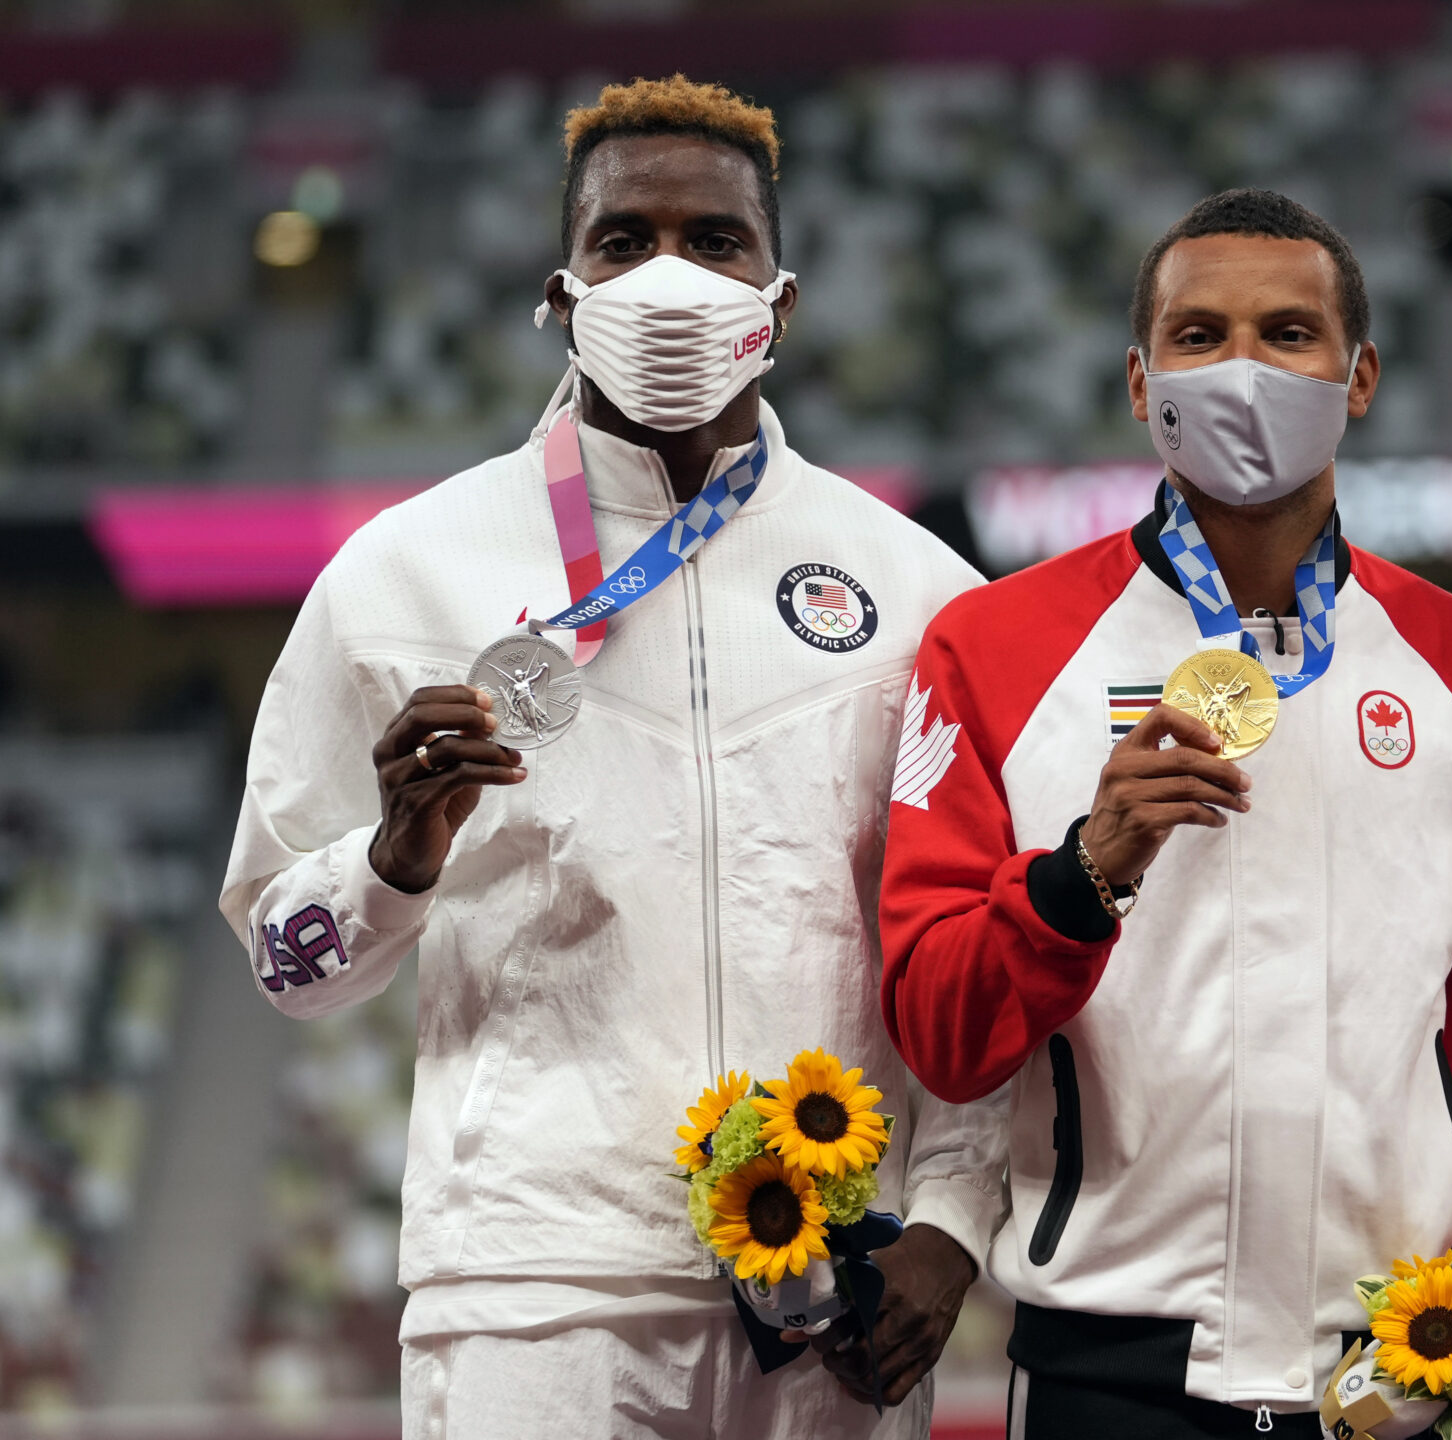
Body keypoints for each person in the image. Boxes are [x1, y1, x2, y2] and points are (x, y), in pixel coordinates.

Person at [219, 77, 998, 1439]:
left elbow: (966, 946)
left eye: (716, 242)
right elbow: (284, 963)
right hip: (531, 1287)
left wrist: (950, 1223)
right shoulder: (404, 571)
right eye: (626, 242)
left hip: (830, 1284)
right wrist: (395, 857)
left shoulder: (918, 591)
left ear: (782, 300)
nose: (671, 277)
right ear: (565, 292)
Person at [877, 189, 1452, 1438]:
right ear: (1141, 383)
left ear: (1358, 376)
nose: (1243, 369)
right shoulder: (992, 647)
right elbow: (941, 1035)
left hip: (1400, 1362)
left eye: (1288, 334)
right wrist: (1080, 876)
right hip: (1110, 1358)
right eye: (1199, 337)